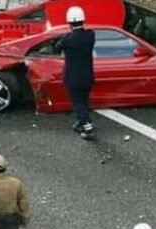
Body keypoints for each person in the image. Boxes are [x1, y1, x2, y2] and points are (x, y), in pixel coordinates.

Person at [57, 6, 96, 139]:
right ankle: (81, 122)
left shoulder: (67, 39)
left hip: (73, 77)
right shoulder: (90, 35)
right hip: (88, 76)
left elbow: (57, 47)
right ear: (83, 20)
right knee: (84, 101)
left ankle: (87, 125)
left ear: (69, 22)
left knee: (78, 103)